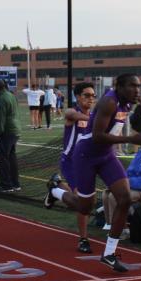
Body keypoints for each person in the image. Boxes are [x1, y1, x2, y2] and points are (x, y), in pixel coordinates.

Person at [68, 74, 141, 272]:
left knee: (125, 199)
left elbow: (119, 128)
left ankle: (109, 253)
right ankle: (56, 190)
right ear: (119, 87)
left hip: (106, 155)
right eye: (132, 86)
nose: (137, 90)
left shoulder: (128, 103)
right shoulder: (109, 102)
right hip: (86, 155)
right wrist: (131, 139)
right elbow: (98, 136)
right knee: (84, 207)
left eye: (139, 86)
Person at [45, 82, 97, 252]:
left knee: (87, 200)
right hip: (71, 162)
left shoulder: (94, 116)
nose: (91, 99)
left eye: (93, 96)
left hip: (87, 163)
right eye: (86, 95)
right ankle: (83, 239)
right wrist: (94, 119)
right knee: (83, 201)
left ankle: (56, 188)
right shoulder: (72, 113)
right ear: (77, 97)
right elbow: (70, 114)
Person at [0, 79, 21, 193]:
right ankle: (15, 183)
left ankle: (6, 185)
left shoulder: (1, 99)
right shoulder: (11, 95)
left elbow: (0, 120)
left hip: (6, 132)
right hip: (15, 130)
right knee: (12, 158)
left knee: (3, 160)